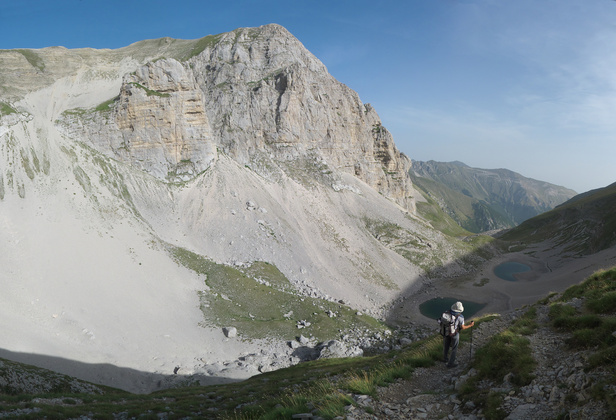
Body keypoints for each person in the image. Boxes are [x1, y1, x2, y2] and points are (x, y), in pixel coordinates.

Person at [442, 301, 475, 368]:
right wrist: (470, 325)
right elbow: (462, 327)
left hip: (446, 332)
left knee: (446, 345)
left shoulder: (447, 312)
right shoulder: (460, 317)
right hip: (454, 333)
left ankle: (445, 358)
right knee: (454, 348)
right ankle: (450, 364)